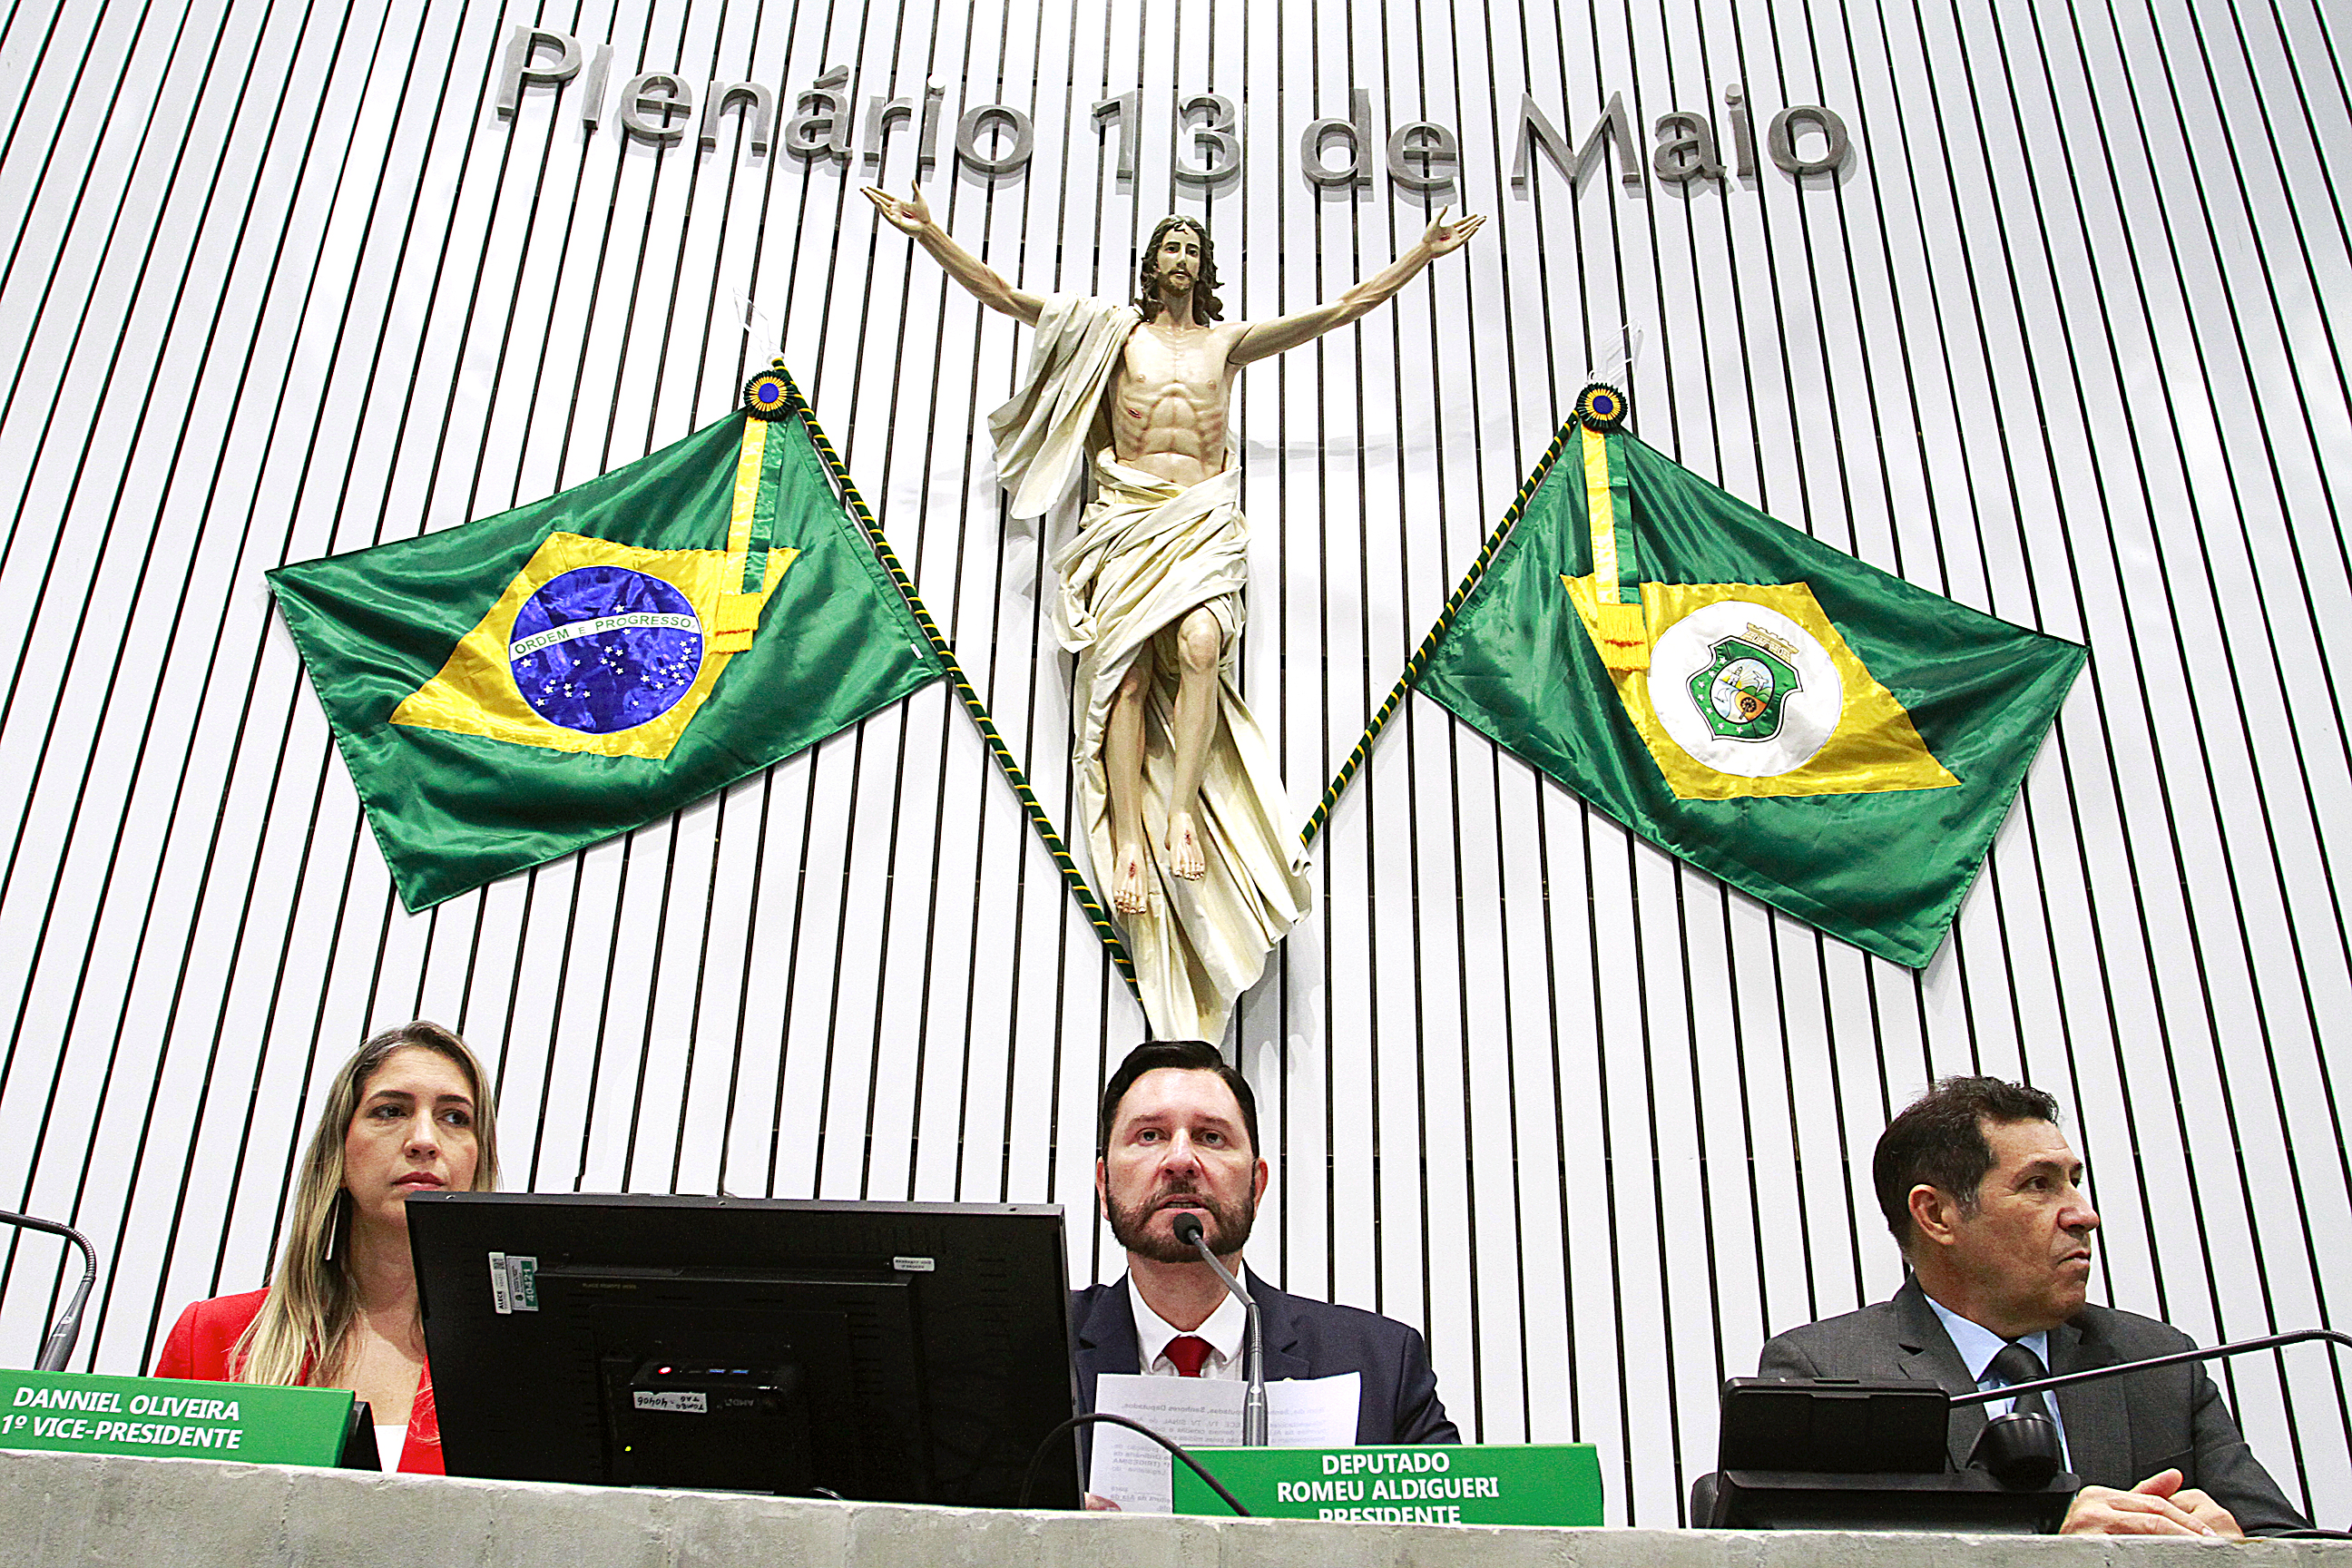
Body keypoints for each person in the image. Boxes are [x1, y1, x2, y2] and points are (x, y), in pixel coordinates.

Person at [863, 190, 1484, 1040]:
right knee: (1121, 677)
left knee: (1201, 645)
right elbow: (1003, 294)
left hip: (1200, 519)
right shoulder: (1113, 335)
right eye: (1171, 247)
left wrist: (1419, 256)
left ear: (1205, 267)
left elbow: (1341, 310)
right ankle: (1129, 837)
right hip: (1127, 515)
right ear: (1151, 264)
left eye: (1194, 248)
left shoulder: (1228, 344)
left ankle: (1183, 807)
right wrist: (931, 233)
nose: (1182, 259)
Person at [1756, 1076, 2307, 1536]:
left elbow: (2292, 1543)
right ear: (1937, 1215)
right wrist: (2047, 1548)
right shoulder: (1828, 1371)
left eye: (2074, 1182)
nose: (2084, 1215)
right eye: (2039, 1185)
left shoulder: (2156, 1361)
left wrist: (2235, 1547)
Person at [1072, 1039, 1457, 1458]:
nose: (1180, 1160)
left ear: (1256, 1187)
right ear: (1104, 1186)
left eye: (1211, 1137)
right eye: (1150, 1136)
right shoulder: (1034, 1350)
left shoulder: (1379, 1365)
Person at [154, 1020, 499, 1475]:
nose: (423, 1141)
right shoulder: (215, 1337)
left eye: (455, 1118)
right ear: (339, 1150)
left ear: (478, 1159)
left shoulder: (524, 1359)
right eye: (391, 1111)